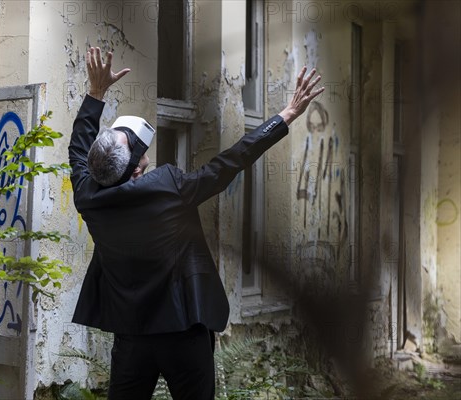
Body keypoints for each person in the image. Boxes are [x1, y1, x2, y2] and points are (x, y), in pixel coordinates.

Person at [68, 46, 324, 400]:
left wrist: (95, 94)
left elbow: (78, 149)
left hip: (132, 336)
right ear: (137, 168)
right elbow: (229, 163)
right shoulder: (169, 187)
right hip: (183, 330)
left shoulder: (89, 197)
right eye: (139, 150)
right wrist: (286, 115)